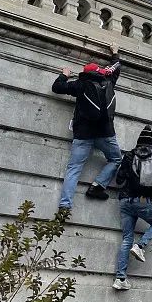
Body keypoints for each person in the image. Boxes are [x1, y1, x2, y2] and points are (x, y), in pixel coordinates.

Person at [51, 42, 122, 212]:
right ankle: (97, 186)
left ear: (85, 73)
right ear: (99, 71)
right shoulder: (108, 80)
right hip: (105, 133)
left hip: (83, 135)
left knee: (74, 169)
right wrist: (115, 52)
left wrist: (64, 75)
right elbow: (117, 67)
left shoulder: (80, 84)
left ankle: (65, 206)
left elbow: (57, 88)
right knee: (116, 159)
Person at [111, 126, 152, 291]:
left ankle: (120, 278)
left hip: (125, 200)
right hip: (142, 200)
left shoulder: (129, 155)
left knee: (127, 238)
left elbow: (119, 180)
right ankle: (140, 246)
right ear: (151, 142)